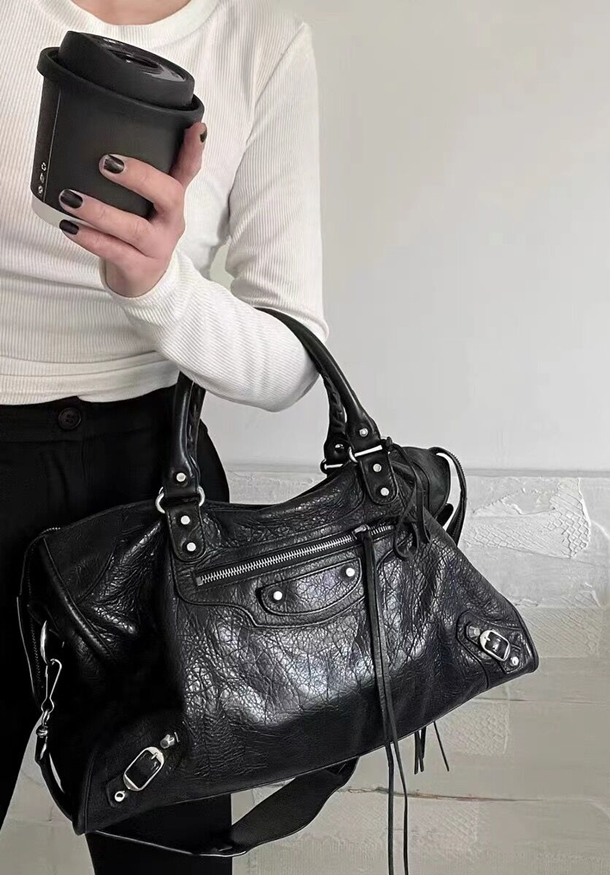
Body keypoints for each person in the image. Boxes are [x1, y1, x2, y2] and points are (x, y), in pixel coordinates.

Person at [0, 0, 328, 871]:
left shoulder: (261, 46)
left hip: (156, 491)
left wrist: (159, 288)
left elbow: (292, 361)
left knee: (166, 857)